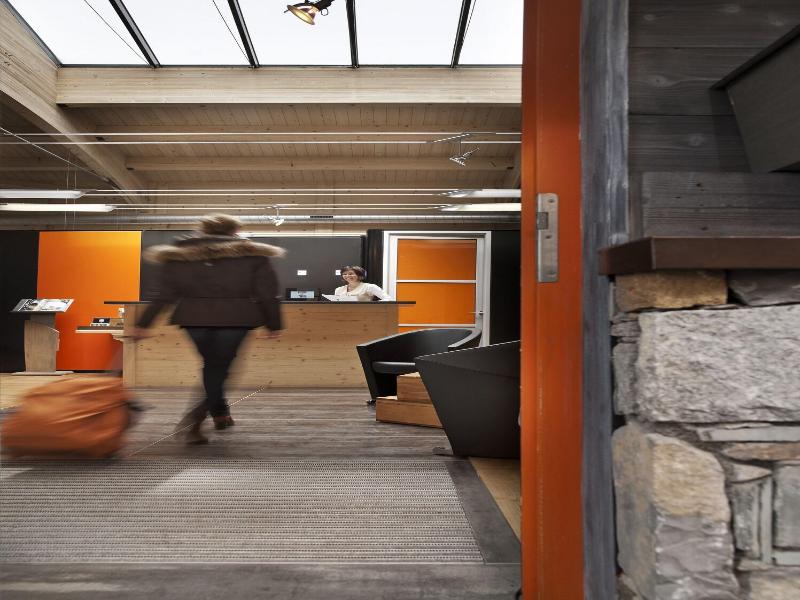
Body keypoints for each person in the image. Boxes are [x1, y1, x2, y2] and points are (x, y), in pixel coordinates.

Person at [133, 214, 285, 444]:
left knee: (212, 366)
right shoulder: (253, 255)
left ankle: (220, 413)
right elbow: (267, 294)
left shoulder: (179, 255)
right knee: (219, 368)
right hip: (236, 318)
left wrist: (143, 324)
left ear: (203, 230)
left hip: (193, 318)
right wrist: (273, 323)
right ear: (234, 232)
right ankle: (194, 420)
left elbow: (164, 294)